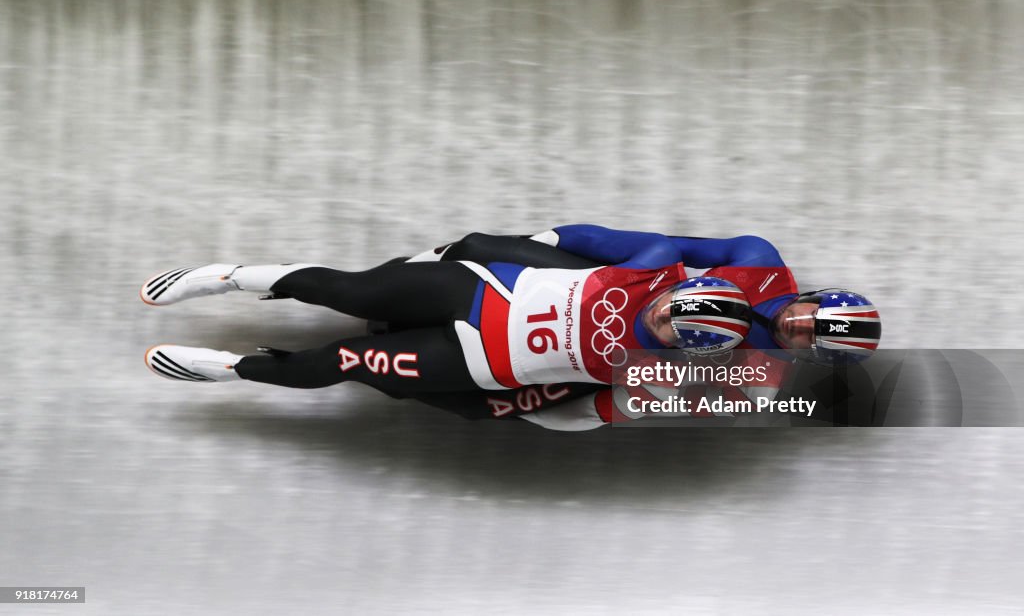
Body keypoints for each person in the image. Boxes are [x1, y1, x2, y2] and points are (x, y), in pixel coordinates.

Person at [141, 225, 880, 431]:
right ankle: (230, 276)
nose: (798, 326)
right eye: (812, 314)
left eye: (812, 337)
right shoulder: (697, 266)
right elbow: (621, 241)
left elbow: (607, 405)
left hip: (492, 357)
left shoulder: (741, 374)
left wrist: (532, 409)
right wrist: (535, 243)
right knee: (349, 286)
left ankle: (228, 370)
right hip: (498, 290)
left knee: (345, 360)